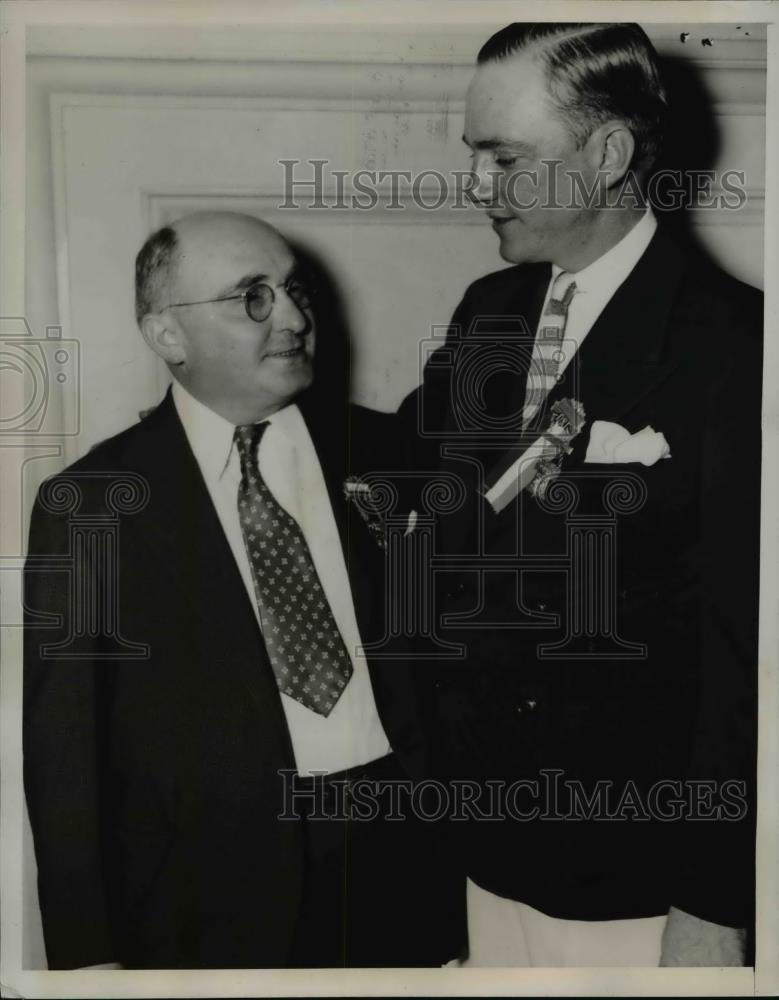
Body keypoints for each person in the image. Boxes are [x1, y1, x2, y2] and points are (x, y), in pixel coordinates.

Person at [398, 22, 760, 967]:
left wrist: (715, 900)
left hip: (639, 881)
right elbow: (407, 460)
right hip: (482, 849)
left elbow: (744, 659)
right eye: (474, 156)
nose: (476, 186)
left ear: (605, 156)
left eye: (504, 157)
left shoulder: (736, 348)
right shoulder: (492, 308)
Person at [24, 211, 462, 970]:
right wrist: (86, 958)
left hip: (401, 871)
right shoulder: (94, 504)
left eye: (292, 290)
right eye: (250, 297)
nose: (292, 317)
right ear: (168, 336)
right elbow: (65, 752)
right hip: (206, 903)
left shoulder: (391, 455)